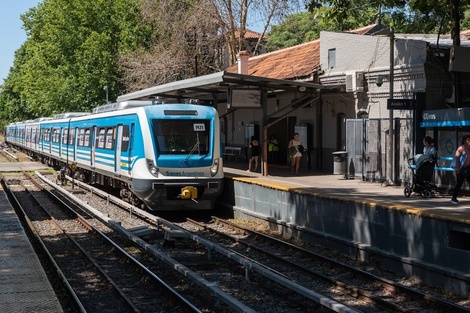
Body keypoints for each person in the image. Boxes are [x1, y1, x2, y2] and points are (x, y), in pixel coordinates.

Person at [451, 134, 470, 204]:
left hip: (468, 168)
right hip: (461, 168)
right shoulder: (461, 148)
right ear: (464, 141)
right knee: (459, 183)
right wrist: (457, 168)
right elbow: (457, 158)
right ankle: (453, 198)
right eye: (468, 140)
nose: (469, 141)